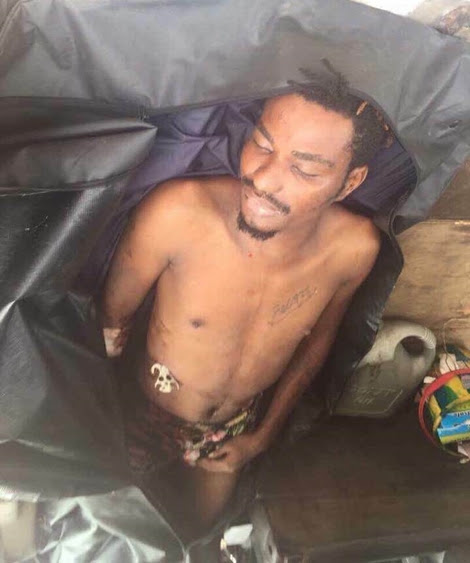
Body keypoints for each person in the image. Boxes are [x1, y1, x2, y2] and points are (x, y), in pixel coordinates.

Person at [100, 72, 389, 533]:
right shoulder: (179, 213)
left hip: (234, 428)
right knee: (117, 534)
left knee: (201, 533)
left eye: (305, 170)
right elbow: (109, 326)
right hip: (142, 414)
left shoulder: (353, 250)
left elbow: (313, 349)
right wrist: (105, 419)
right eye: (261, 144)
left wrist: (261, 437)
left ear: (350, 181)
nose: (263, 178)